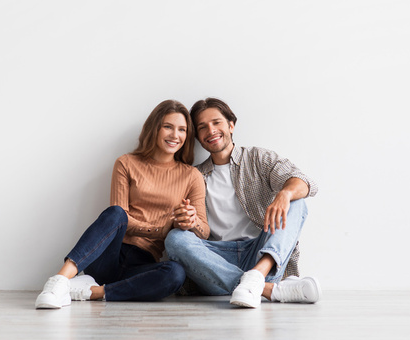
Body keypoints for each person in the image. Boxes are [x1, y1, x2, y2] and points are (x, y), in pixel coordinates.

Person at [35, 100, 210, 309]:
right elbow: (120, 218)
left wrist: (192, 222)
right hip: (108, 255)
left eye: (182, 129)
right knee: (116, 212)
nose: (175, 135)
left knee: (175, 273)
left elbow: (205, 232)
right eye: (168, 127)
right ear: (154, 128)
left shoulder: (191, 176)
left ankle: (94, 292)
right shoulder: (127, 163)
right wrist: (160, 229)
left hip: (142, 263)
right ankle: (59, 281)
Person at [165, 97, 320, 308]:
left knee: (297, 202)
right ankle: (269, 289)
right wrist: (187, 222)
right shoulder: (194, 176)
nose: (210, 130)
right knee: (175, 238)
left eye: (216, 122)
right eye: (202, 127)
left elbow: (306, 183)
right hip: (216, 259)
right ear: (198, 137)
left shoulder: (258, 158)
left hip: (261, 252)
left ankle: (258, 275)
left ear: (231, 125)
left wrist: (284, 194)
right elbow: (190, 229)